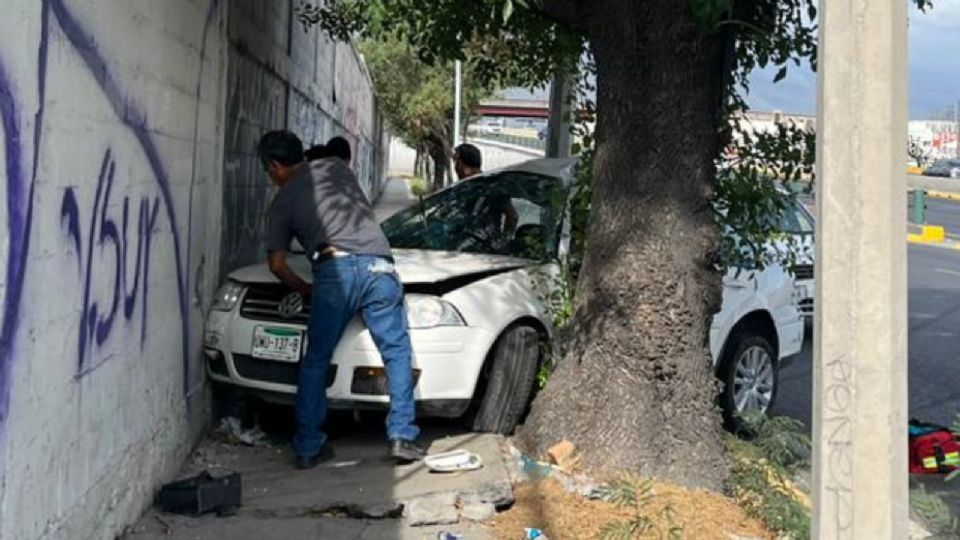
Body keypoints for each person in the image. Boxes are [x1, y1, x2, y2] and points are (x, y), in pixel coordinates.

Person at [257, 130, 424, 469]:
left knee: (316, 358)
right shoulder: (336, 166)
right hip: (380, 266)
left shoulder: (283, 201)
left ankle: (308, 447)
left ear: (275, 166)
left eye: (268, 170)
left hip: (335, 272)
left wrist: (303, 288)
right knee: (396, 352)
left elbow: (277, 265)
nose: (270, 178)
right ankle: (402, 436)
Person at [453, 144, 519, 247]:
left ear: (461, 165)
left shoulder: (492, 187)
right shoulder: (462, 188)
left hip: (484, 248)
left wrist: (502, 243)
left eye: (456, 162)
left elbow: (512, 216)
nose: (455, 167)